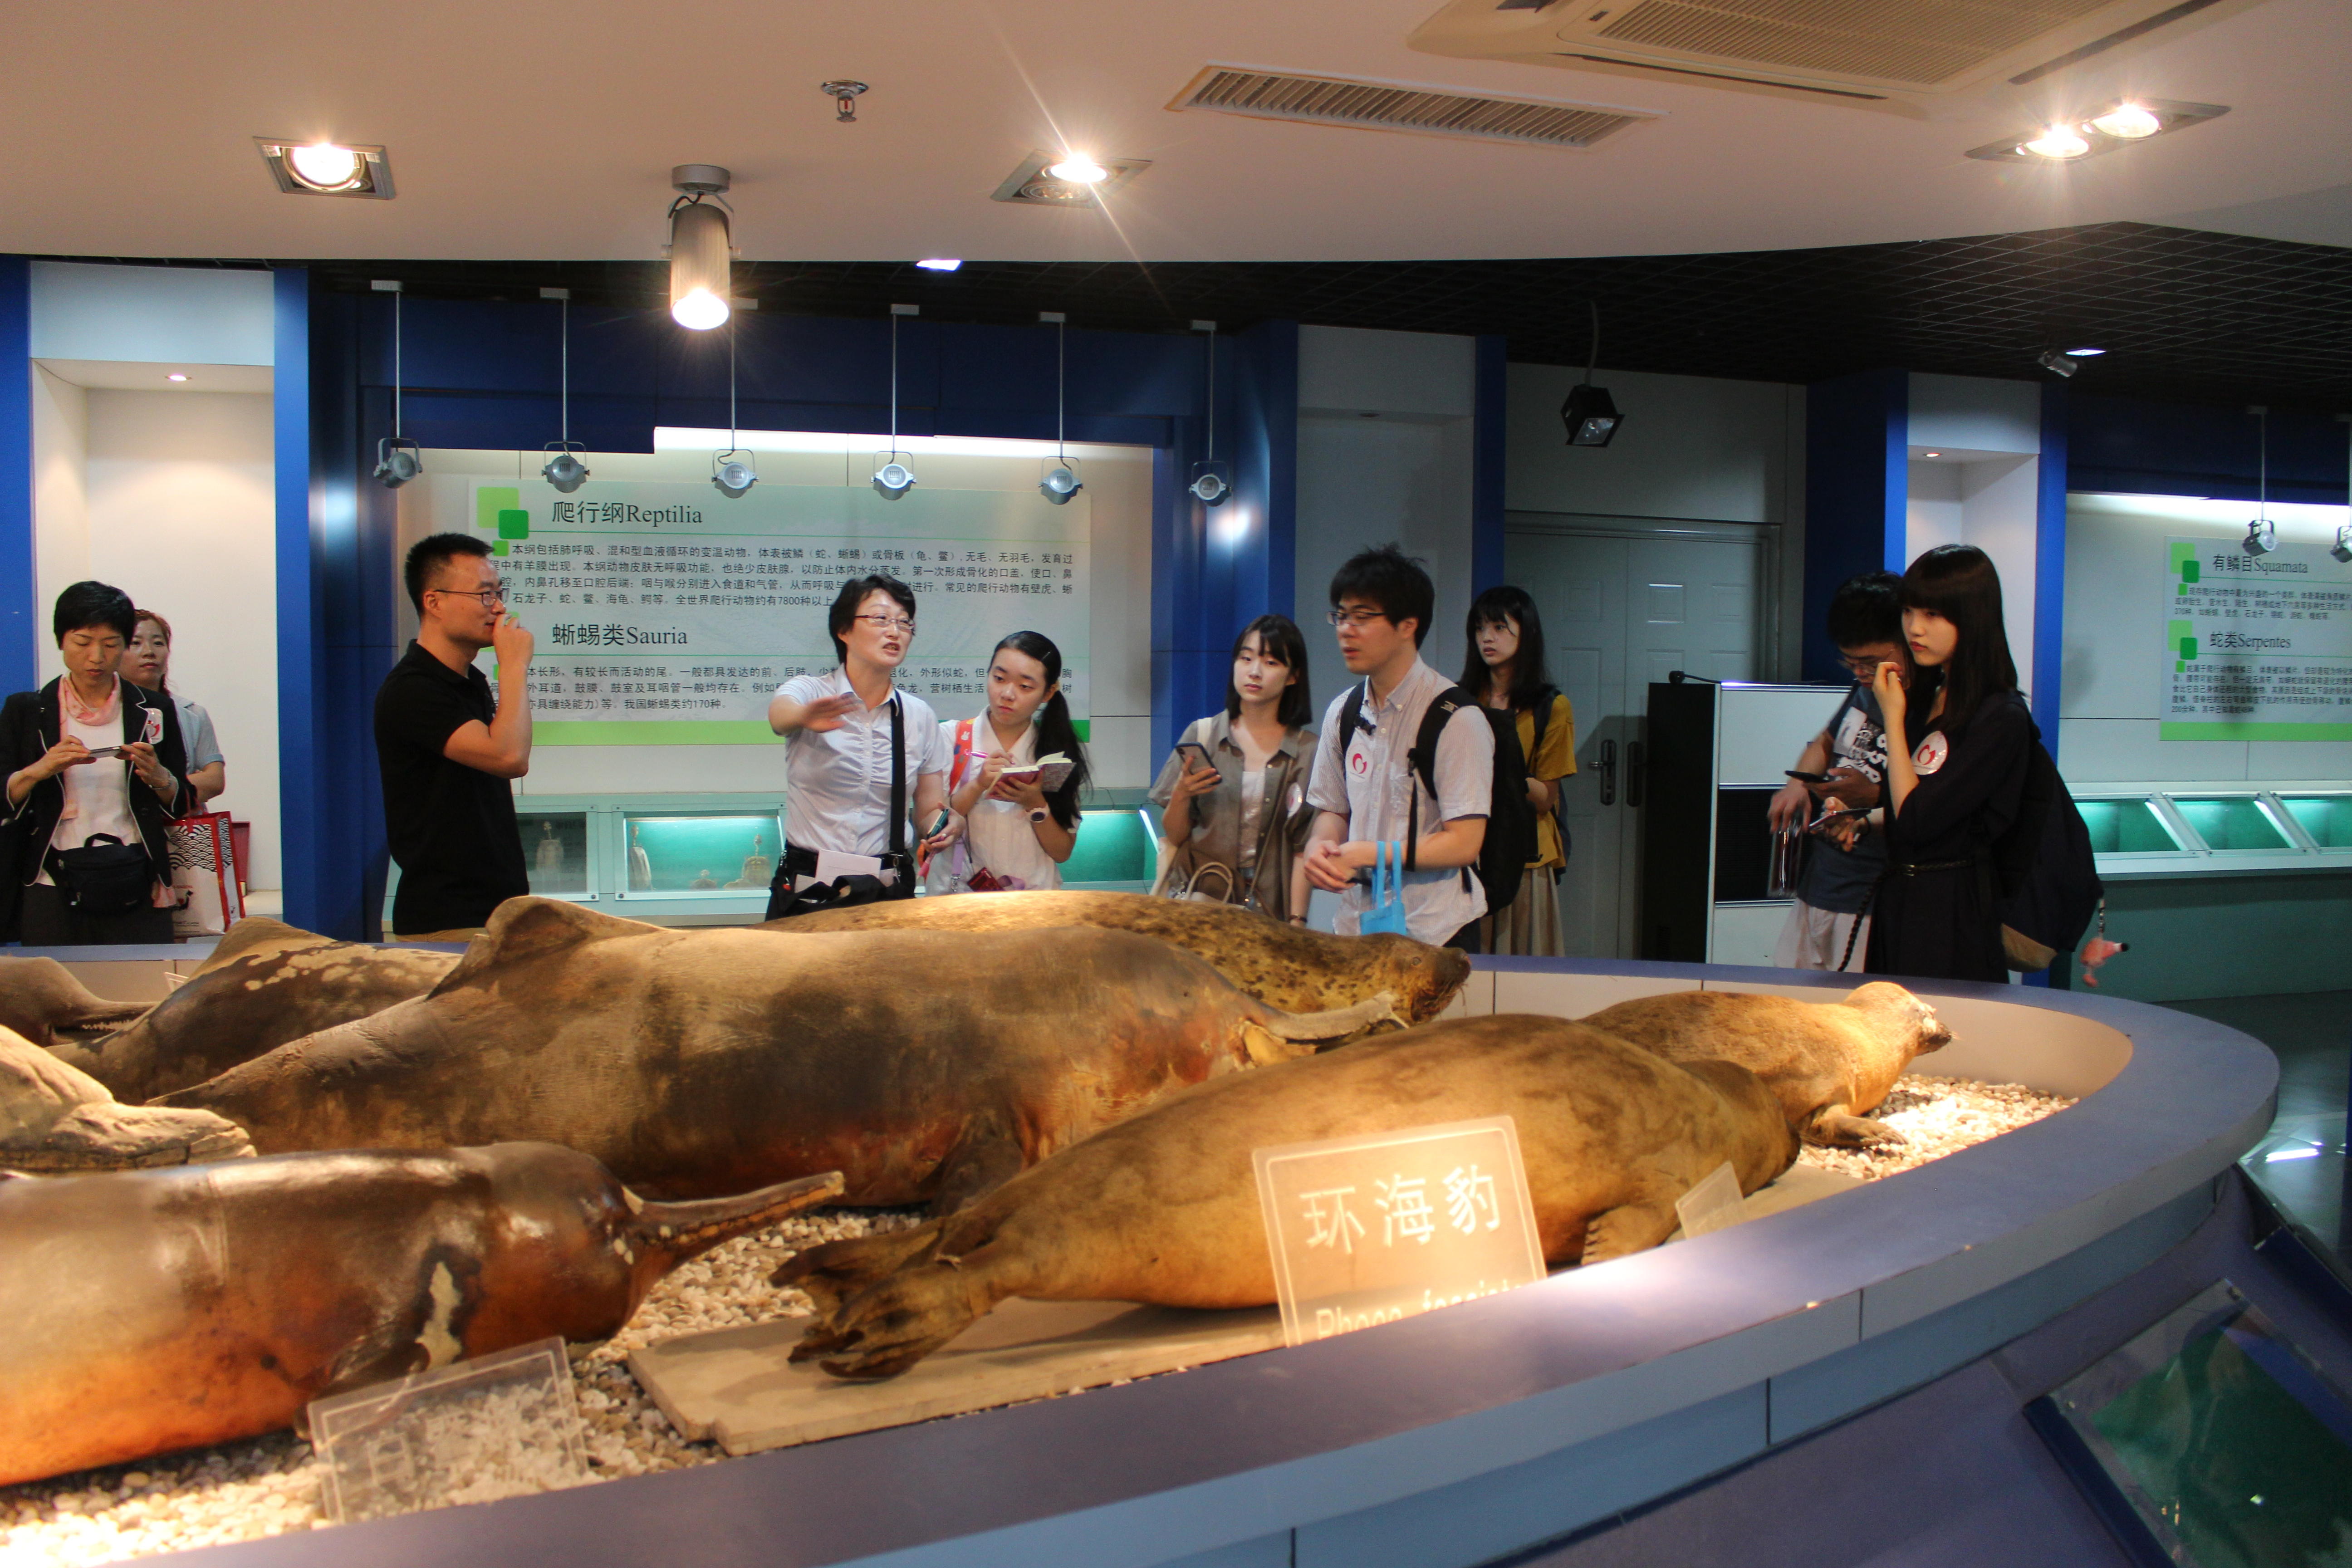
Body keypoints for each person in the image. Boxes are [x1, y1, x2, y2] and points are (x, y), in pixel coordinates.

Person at [1302, 546, 1493, 950]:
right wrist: (1321, 848)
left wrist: (1368, 854)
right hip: (1357, 927)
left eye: (1362, 617)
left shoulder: (1456, 717)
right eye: (1340, 615)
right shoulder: (1344, 710)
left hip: (1436, 931)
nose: (1345, 629)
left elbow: (1465, 842)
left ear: (1408, 625)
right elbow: (1332, 810)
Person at [1867, 544, 2035, 982]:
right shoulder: (1930, 696)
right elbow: (1911, 805)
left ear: (1972, 617)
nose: (1914, 629)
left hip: (1950, 912)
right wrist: (1862, 822)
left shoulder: (2000, 717)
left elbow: (1918, 820)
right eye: (1908, 612)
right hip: (1901, 896)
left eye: (1933, 615)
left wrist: (1894, 719)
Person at [0, 581, 194, 944]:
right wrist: (38, 770)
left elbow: (182, 801)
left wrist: (159, 777)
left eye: (111, 644)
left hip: (137, 877)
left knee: (139, 993)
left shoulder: (153, 709)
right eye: (83, 642)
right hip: (50, 880)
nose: (97, 657)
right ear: (61, 641)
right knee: (57, 994)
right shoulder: (26, 711)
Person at [374, 534, 534, 941]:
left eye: (499, 594)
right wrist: (514, 666)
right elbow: (510, 757)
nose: (498, 608)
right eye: (484, 595)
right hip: (447, 920)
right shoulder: (413, 688)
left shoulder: (468, 682)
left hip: (494, 913)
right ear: (435, 602)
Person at [767, 574, 956, 915]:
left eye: (904, 622)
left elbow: (929, 809)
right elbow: (779, 717)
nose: (894, 631)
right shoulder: (811, 691)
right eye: (880, 619)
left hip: (885, 884)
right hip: (810, 882)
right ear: (844, 630)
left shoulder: (919, 716)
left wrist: (945, 824)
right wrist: (803, 716)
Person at [1766, 571, 1906, 970]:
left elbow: (1929, 804)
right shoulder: (1866, 688)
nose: (1860, 673)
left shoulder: (1923, 705)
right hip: (1822, 882)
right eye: (1851, 662)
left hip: (1871, 895)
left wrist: (1872, 803)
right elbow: (1826, 741)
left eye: (1870, 662)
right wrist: (1796, 783)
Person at [1149, 614, 1317, 922]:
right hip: (1202, 903)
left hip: (1269, 911)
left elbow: (1302, 847)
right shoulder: (1203, 735)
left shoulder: (1306, 750)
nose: (1254, 671)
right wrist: (1182, 795)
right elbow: (1174, 834)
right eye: (1246, 658)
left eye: (1270, 663)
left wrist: (1298, 921)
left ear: (1293, 676)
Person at [1461, 586, 1576, 956]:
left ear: (1526, 633)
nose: (1487, 638)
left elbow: (1546, 798)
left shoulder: (1551, 707)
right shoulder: (1460, 700)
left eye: (1499, 627)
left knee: (1526, 975)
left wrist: (1506, 771)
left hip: (1526, 855)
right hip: (1469, 848)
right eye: (1480, 628)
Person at [931, 631, 1091, 893]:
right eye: (999, 678)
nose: (1007, 693)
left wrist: (1036, 804)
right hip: (958, 897)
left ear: (1048, 692)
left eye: (1025, 687)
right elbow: (932, 827)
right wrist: (978, 785)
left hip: (1032, 903)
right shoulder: (951, 738)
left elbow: (1062, 852)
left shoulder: (1055, 753)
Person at [121, 611, 225, 809]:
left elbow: (215, 780)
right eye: (136, 643)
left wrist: (161, 781)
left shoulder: (192, 713)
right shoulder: (104, 715)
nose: (149, 652)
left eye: (158, 643)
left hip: (181, 833)